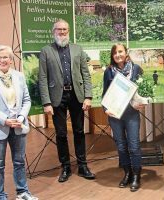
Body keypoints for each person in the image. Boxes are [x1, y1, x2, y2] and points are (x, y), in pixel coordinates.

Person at [38, 19, 95, 183]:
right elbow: (42, 78)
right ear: (53, 31)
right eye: (59, 30)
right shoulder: (46, 51)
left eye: (65, 29)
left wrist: (88, 96)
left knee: (79, 131)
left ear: (68, 31)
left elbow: (86, 74)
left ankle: (83, 166)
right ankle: (65, 167)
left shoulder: (78, 49)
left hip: (76, 96)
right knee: (61, 134)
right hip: (57, 98)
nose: (62, 32)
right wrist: (46, 102)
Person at [0, 45, 38, 200]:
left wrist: (20, 118)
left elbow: (26, 100)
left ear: (11, 60)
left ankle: (22, 192)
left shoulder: (19, 76)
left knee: (19, 162)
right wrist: (5, 120)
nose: (2, 60)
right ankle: (0, 196)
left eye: (5, 57)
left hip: (18, 126)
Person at [102, 43, 144, 192]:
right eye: (115, 53)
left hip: (132, 114)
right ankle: (127, 173)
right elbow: (104, 94)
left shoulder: (136, 69)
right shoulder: (108, 71)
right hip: (115, 114)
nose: (118, 55)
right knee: (121, 145)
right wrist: (105, 109)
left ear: (126, 53)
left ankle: (136, 176)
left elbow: (143, 92)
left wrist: (142, 103)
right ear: (112, 56)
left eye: (120, 51)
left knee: (134, 145)